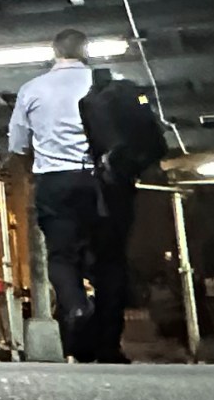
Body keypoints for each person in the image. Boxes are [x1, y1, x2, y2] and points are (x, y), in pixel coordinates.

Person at [11, 28, 112, 362]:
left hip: (54, 181)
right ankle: (106, 331)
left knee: (61, 257)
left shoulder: (31, 90)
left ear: (53, 52)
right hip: (100, 181)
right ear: (87, 51)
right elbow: (135, 117)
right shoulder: (107, 82)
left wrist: (32, 179)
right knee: (106, 255)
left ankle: (77, 308)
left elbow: (18, 146)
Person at [77, 65, 165, 364]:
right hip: (113, 187)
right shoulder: (129, 94)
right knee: (111, 264)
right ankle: (106, 344)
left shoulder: (59, 96)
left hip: (64, 186)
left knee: (67, 261)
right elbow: (154, 139)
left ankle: (80, 338)